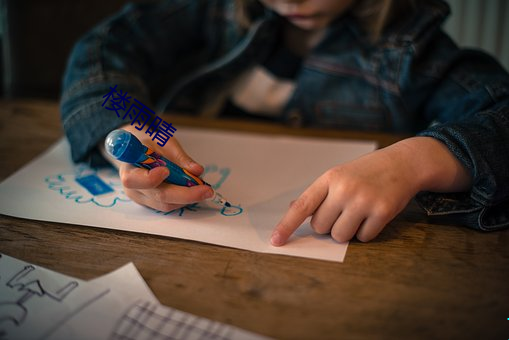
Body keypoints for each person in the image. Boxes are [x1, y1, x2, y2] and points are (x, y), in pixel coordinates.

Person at [60, 0, 509, 246]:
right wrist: (121, 126)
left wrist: (417, 160)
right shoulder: (209, 9)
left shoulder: (416, 48)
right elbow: (105, 51)